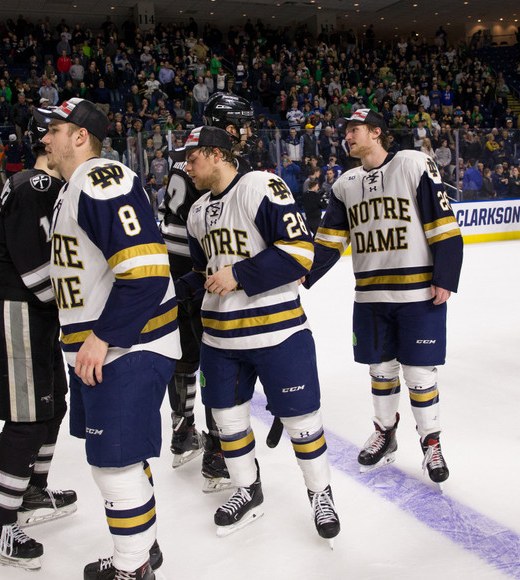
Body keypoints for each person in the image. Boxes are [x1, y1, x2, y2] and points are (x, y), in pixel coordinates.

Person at [178, 126, 340, 541]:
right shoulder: (197, 212)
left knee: (303, 421)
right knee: (227, 421)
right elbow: (204, 274)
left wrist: (240, 274)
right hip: (219, 340)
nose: (185, 165)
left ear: (215, 154)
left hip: (278, 333)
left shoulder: (260, 186)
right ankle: (248, 489)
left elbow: (301, 252)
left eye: (192, 157)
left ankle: (320, 493)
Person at [42, 98, 178, 580]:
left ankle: (132, 568)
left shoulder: (101, 178)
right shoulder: (74, 186)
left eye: (53, 130)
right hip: (111, 348)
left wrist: (103, 337)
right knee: (124, 460)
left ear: (80, 136)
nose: (44, 139)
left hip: (126, 348)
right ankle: (141, 551)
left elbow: (145, 271)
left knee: (113, 466)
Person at [304, 108, 462, 483]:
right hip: (371, 294)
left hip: (417, 291)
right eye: (346, 131)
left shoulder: (412, 164)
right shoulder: (345, 184)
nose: (348, 136)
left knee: (420, 373)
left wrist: (445, 277)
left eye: (355, 130)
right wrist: (298, 275)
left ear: (377, 133)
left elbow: (444, 225)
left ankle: (431, 443)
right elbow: (327, 244)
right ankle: (385, 433)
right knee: (381, 370)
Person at [0, 110, 78, 571]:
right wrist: (74, 308)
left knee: (52, 405)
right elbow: (37, 269)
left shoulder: (43, 188)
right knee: (27, 418)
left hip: (32, 312)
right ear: (48, 144)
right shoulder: (34, 187)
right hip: (19, 310)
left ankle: (31, 492)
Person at [159, 93, 255, 489]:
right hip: (206, 279)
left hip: (175, 275)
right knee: (220, 364)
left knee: (184, 359)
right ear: (226, 128)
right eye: (242, 124)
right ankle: (217, 453)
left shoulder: (185, 158)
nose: (247, 132)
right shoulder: (222, 163)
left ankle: (183, 434)